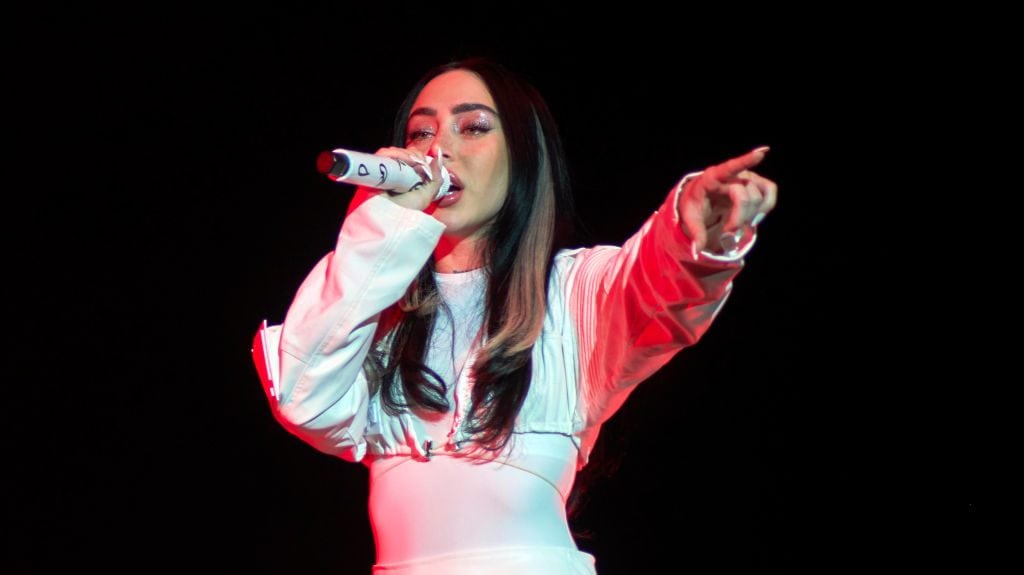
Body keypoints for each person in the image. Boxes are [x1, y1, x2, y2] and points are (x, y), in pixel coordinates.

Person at [251, 57, 777, 574]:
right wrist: (381, 225)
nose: (439, 150)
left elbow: (654, 288)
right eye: (419, 134)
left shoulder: (573, 291)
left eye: (473, 126)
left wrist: (692, 237)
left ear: (522, 156)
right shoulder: (378, 316)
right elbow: (303, 401)